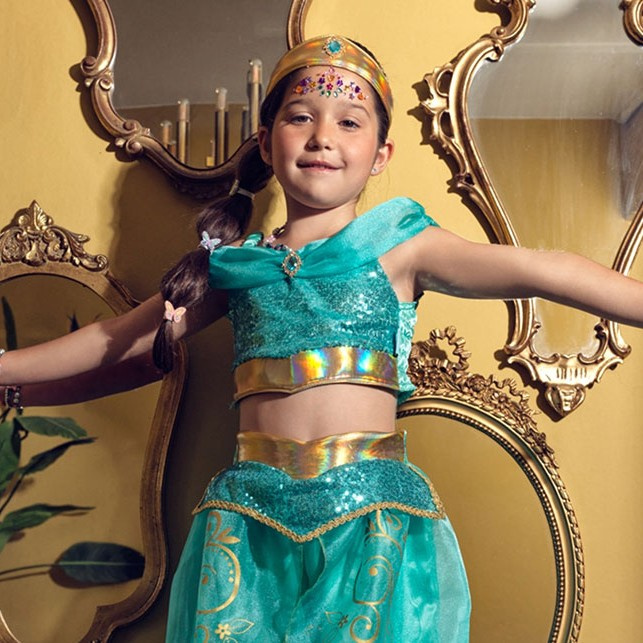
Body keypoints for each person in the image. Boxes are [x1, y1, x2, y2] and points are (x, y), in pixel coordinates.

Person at [1, 35, 642, 641]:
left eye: (350, 123)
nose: (323, 137)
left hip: (371, 524)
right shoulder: (236, 268)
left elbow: (546, 269)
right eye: (301, 117)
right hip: (246, 527)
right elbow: (118, 340)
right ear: (266, 140)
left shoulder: (401, 246)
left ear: (381, 154)